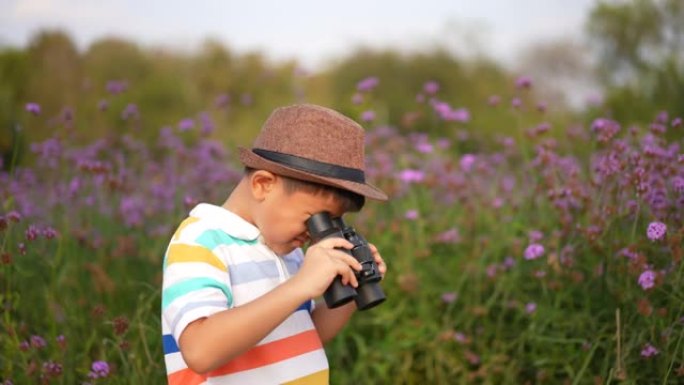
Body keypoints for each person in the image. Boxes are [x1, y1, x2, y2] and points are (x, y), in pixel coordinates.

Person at [161, 104, 389, 385]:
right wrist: (300, 286)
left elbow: (303, 334)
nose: (316, 234)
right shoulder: (200, 241)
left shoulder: (288, 250)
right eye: (314, 219)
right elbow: (200, 351)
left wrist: (354, 289)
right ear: (263, 185)